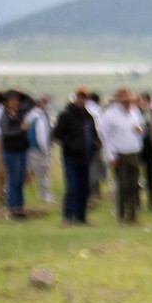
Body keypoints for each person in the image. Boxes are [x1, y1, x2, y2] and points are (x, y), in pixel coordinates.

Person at [52, 86, 97, 225]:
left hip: (86, 156)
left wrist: (96, 143)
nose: (82, 100)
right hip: (71, 156)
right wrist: (70, 144)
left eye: (85, 98)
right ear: (75, 98)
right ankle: (67, 216)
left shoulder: (88, 116)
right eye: (80, 97)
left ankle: (81, 217)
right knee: (72, 186)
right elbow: (56, 134)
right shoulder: (66, 114)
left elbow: (93, 134)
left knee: (84, 187)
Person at [100, 87, 146, 223]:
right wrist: (110, 155)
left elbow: (142, 129)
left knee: (134, 185)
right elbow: (104, 136)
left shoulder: (134, 113)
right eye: (125, 101)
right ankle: (121, 214)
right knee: (123, 185)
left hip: (134, 152)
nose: (128, 103)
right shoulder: (110, 115)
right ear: (119, 101)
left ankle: (132, 214)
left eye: (129, 100)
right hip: (119, 154)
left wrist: (140, 130)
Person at [0, 90, 31, 217]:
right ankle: (12, 208)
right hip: (11, 151)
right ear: (6, 103)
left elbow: (30, 102)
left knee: (20, 181)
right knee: (13, 180)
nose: (15, 102)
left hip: (21, 150)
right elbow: (6, 132)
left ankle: (19, 207)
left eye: (16, 100)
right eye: (12, 100)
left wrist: (19, 91)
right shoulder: (5, 116)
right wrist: (20, 129)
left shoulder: (18, 113)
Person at [28, 96, 53, 203]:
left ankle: (42, 194)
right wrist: (45, 150)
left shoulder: (30, 116)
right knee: (44, 174)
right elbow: (41, 136)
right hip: (39, 150)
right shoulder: (40, 117)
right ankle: (45, 195)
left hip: (31, 148)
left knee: (38, 174)